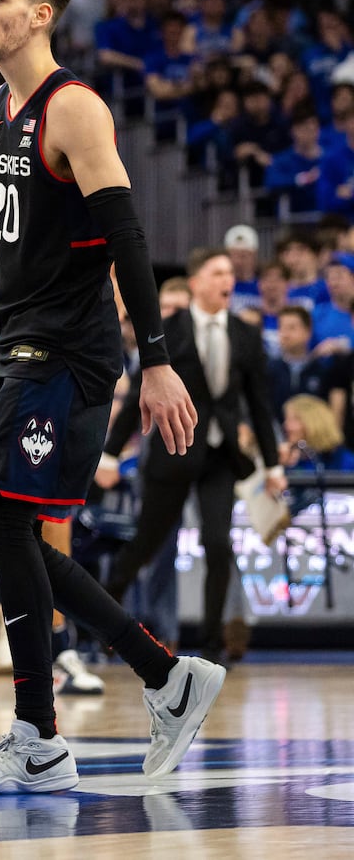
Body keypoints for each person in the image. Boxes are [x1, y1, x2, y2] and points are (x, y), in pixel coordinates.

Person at [0, 0, 224, 793]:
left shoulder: (73, 108)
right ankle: (158, 676)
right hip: (20, 342)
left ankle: (45, 734)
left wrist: (155, 363)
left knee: (3, 521)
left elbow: (128, 237)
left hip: (74, 355)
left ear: (41, 15)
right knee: (6, 525)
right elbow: (11, 256)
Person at [100, 247, 281, 663]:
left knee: (218, 545)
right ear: (196, 282)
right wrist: (109, 455)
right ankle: (102, 628)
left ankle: (213, 645)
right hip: (172, 450)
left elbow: (258, 403)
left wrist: (271, 465)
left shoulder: (245, 333)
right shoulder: (167, 329)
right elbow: (138, 399)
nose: (227, 280)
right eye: (218, 272)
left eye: (230, 274)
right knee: (144, 546)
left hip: (220, 455)